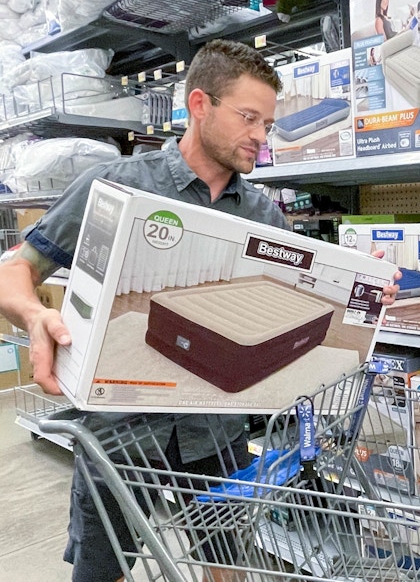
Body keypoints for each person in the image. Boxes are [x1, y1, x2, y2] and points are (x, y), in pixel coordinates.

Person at [0, 39, 399, 582]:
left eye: (268, 123)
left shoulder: (261, 212)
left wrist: (363, 284)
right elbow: (16, 271)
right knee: (103, 566)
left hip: (216, 426)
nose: (261, 136)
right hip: (119, 429)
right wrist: (34, 315)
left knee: (223, 560)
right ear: (199, 105)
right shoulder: (117, 185)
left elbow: (301, 292)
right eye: (249, 118)